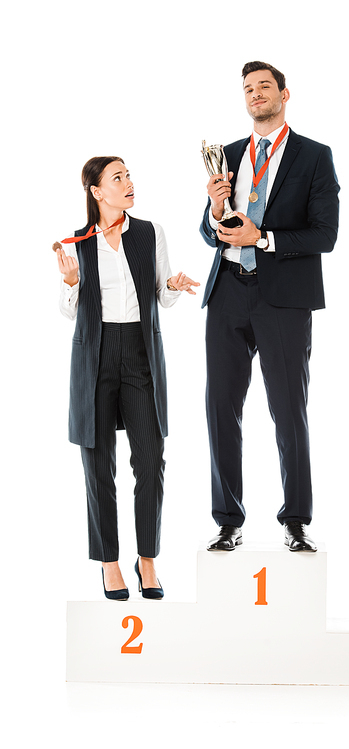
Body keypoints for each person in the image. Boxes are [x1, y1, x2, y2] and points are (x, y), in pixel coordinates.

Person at [200, 61, 340, 552]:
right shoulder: (229, 155)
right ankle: (227, 519)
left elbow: (326, 235)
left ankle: (296, 519)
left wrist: (266, 237)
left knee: (288, 410)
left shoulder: (314, 157)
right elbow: (209, 232)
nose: (256, 94)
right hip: (228, 292)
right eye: (248, 89)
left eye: (264, 86)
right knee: (220, 407)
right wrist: (216, 211)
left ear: (284, 93)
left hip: (283, 299)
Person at [56, 156, 199, 600]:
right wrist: (72, 282)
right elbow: (67, 312)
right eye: (118, 178)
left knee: (151, 460)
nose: (129, 182)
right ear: (98, 192)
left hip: (140, 353)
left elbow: (162, 296)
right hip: (95, 358)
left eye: (129, 175)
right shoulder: (77, 243)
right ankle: (110, 564)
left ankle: (148, 560)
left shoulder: (149, 233)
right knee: (98, 465)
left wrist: (173, 285)